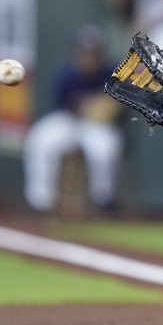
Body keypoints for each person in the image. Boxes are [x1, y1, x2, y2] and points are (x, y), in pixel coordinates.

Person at [24, 25, 125, 214]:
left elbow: (115, 106)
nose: (90, 57)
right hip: (69, 121)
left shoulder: (113, 73)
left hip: (98, 127)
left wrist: (101, 107)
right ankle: (40, 201)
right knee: (39, 139)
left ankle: (103, 201)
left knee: (105, 149)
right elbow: (70, 107)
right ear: (77, 53)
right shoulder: (66, 75)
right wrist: (93, 105)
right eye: (85, 53)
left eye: (94, 53)